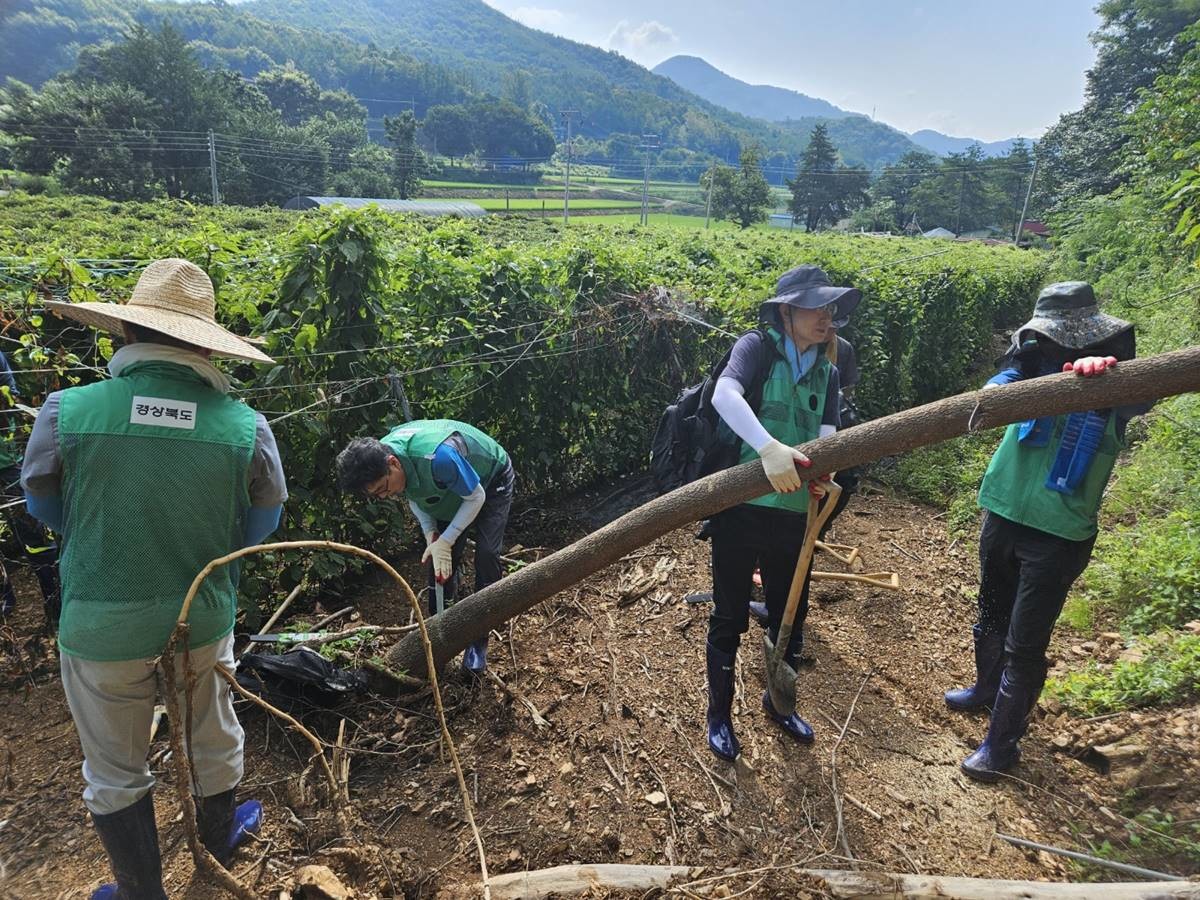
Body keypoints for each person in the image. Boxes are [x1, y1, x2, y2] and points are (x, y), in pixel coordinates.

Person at [22, 259, 287, 899]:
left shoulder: (67, 411)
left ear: (125, 331)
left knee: (113, 766)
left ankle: (141, 891)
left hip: (100, 624)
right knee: (213, 734)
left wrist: (107, 534)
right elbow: (263, 521)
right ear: (206, 346)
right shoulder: (245, 426)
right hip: (202, 617)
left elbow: (43, 504)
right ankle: (217, 852)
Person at [944, 281, 1146, 782]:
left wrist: (1101, 375)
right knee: (991, 613)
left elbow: (1142, 400)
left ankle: (1002, 744)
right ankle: (985, 689)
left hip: (1057, 533)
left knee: (1026, 642)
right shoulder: (1030, 362)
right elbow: (998, 388)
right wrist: (1011, 388)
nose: (1056, 343)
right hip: (1003, 510)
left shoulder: (1119, 381)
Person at [702, 265, 858, 761]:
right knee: (729, 614)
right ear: (786, 312)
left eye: (830, 308)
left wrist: (825, 473)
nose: (826, 317)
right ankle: (719, 715)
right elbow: (724, 394)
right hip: (740, 509)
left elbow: (829, 433)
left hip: (794, 514)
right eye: (815, 308)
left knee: (791, 611)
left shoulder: (828, 371)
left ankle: (780, 701)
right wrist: (767, 447)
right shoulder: (756, 348)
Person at [336, 419, 515, 676]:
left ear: (393, 463)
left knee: (486, 555)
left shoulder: (439, 458)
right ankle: (440, 634)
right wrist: (432, 535)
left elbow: (476, 497)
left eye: (383, 489)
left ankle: (478, 641)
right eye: (376, 495)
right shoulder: (386, 460)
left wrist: (448, 539)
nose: (384, 496)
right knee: (438, 564)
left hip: (490, 479)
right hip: (451, 488)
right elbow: (416, 497)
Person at [0, 348, 59, 625]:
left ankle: (54, 603)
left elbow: (10, 399)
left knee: (33, 533)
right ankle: (6, 601)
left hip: (6, 462)